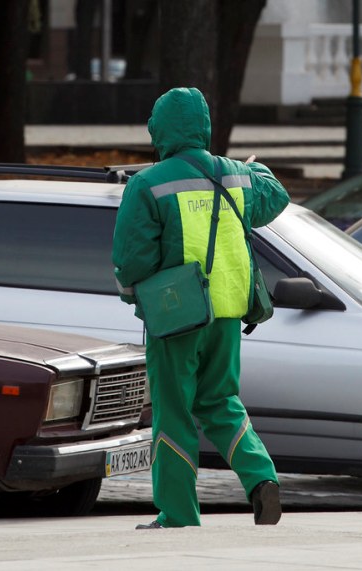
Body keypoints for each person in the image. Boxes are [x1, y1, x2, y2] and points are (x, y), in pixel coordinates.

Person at [112, 87, 290, 529]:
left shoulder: (148, 184)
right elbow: (277, 194)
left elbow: (130, 260)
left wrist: (136, 297)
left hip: (178, 317)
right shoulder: (237, 178)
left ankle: (177, 514)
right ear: (204, 127)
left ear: (161, 129)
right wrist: (251, 165)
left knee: (173, 414)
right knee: (222, 403)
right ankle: (261, 478)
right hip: (229, 314)